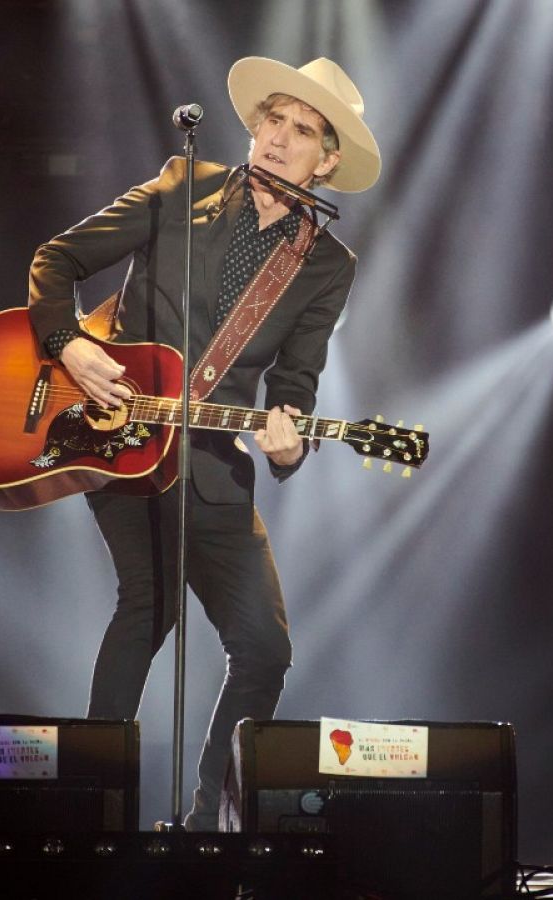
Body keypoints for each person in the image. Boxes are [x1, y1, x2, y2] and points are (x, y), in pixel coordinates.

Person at [26, 57, 381, 830]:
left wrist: (290, 446)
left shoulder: (326, 264)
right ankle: (90, 814)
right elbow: (56, 261)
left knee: (266, 651)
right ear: (255, 126)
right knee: (147, 606)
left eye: (303, 131)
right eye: (273, 120)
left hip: (217, 468)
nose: (281, 140)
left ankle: (205, 828)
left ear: (327, 160)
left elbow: (296, 383)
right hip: (121, 439)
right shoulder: (178, 188)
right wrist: (69, 346)